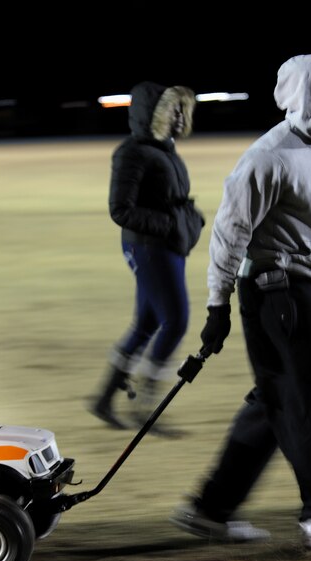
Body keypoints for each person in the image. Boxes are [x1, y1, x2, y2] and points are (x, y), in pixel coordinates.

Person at [169, 55, 311, 557]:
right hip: (278, 292)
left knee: (275, 402)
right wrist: (216, 305)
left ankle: (210, 509)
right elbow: (229, 233)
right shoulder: (270, 157)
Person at [88, 81, 205, 437]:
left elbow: (171, 197)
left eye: (182, 109)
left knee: (146, 323)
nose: (179, 116)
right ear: (152, 114)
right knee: (176, 321)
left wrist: (188, 218)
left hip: (166, 245)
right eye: (172, 109)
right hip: (149, 247)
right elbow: (120, 209)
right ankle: (144, 408)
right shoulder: (132, 152)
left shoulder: (165, 149)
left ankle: (105, 399)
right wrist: (171, 224)